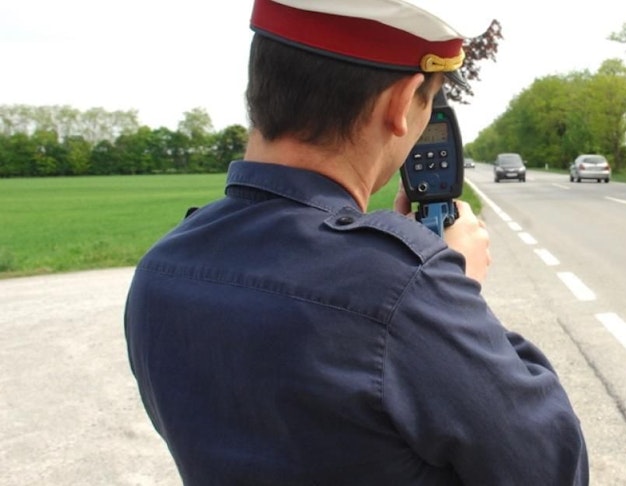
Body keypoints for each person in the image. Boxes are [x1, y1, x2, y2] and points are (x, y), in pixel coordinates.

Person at [123, 0, 589, 484]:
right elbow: (553, 469)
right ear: (401, 104)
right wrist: (455, 289)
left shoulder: (160, 270)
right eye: (428, 102)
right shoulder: (404, 290)